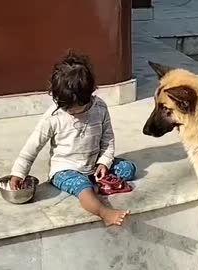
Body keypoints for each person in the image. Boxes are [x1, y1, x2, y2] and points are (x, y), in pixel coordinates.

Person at [9, 51, 136, 226]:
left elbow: (108, 140)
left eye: (78, 109)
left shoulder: (99, 108)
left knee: (128, 169)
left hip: (93, 165)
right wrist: (18, 172)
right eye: (68, 109)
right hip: (65, 170)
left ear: (90, 94)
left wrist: (104, 163)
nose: (73, 113)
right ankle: (103, 212)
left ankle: (98, 181)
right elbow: (31, 147)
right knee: (83, 188)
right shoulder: (54, 116)